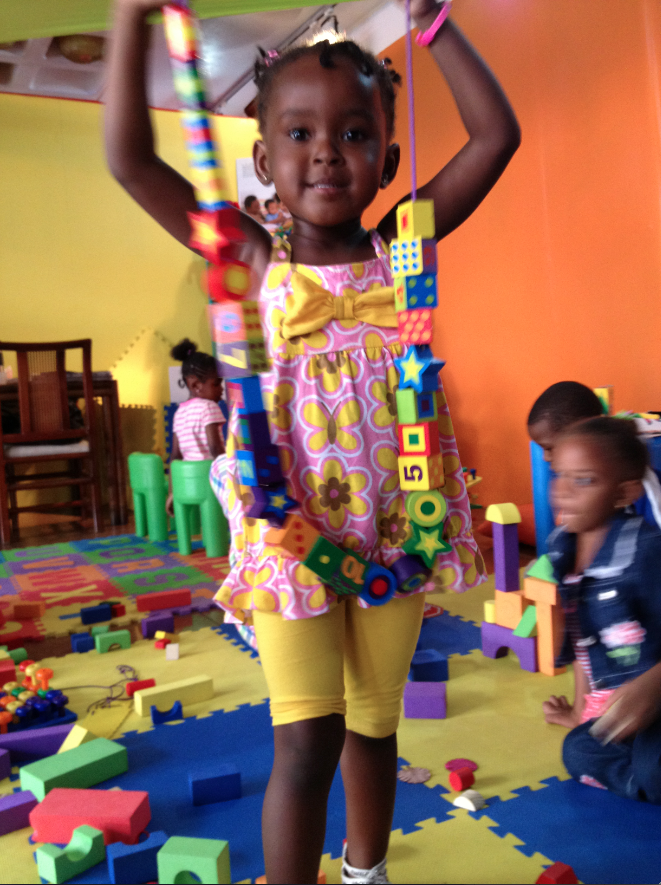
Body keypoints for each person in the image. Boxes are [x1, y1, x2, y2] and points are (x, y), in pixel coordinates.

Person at [104, 2, 519, 880]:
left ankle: (366, 870)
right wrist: (129, 22)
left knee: (374, 725)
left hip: (400, 530)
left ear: (386, 160)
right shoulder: (250, 259)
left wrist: (433, 22)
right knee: (306, 740)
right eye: (298, 132)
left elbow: (494, 137)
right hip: (291, 543)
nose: (326, 150)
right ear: (264, 161)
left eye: (354, 132)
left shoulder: (405, 245)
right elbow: (131, 161)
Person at [547, 417, 661, 802]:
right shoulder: (563, 550)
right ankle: (641, 778)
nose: (563, 491)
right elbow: (584, 643)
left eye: (583, 480)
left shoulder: (646, 552)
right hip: (633, 714)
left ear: (623, 493)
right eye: (559, 475)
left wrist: (653, 684)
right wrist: (581, 712)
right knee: (577, 749)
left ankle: (647, 775)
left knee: (653, 767)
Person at [167, 339, 225, 516]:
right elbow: (215, 449)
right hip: (209, 480)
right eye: (216, 383)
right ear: (195, 386)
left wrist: (172, 492)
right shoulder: (209, 407)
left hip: (187, 483)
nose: (221, 389)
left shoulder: (179, 413)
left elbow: (175, 456)